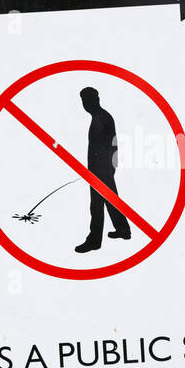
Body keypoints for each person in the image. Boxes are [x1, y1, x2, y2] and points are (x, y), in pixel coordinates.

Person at [75, 87, 131, 253]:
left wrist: (104, 168)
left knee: (98, 205)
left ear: (93, 100)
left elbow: (109, 146)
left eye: (86, 101)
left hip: (100, 170)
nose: (84, 105)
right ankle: (122, 230)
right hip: (101, 169)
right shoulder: (100, 117)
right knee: (107, 202)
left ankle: (95, 240)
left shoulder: (101, 118)